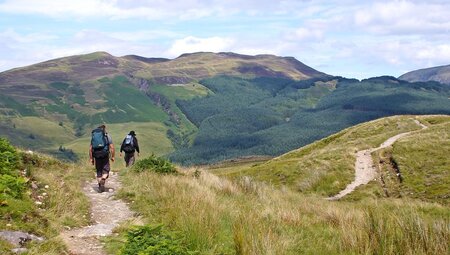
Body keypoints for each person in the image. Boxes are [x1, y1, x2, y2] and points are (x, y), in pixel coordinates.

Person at [89, 124, 115, 192]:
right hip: (105, 154)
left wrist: (91, 158)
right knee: (106, 169)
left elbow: (90, 149)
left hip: (96, 155)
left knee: (99, 171)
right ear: (104, 129)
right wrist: (112, 156)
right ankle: (103, 179)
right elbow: (112, 147)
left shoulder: (94, 137)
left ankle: (100, 184)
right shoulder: (107, 136)